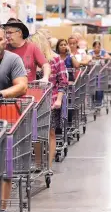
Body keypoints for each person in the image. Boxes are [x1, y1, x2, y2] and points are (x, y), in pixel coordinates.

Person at [30, 30, 68, 173]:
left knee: (51, 133)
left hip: (51, 101)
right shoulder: (31, 61)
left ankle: (49, 166)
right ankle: (39, 164)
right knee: (37, 134)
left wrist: (58, 100)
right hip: (34, 103)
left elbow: (63, 82)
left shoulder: (56, 59)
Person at [3, 18, 51, 82]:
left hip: (29, 89)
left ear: (19, 33)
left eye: (10, 32)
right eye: (6, 33)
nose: (7, 36)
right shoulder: (4, 48)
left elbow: (45, 65)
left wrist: (45, 78)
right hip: (9, 90)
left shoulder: (32, 47)